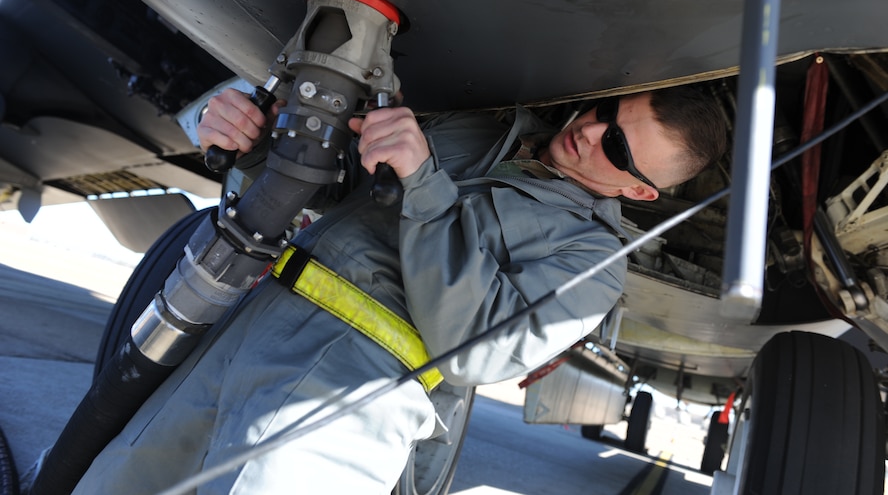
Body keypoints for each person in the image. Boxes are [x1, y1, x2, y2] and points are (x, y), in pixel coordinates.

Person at [69, 85, 726, 494]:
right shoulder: (482, 128)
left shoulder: (591, 260)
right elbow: (335, 189)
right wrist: (248, 142)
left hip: (348, 394)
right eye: (607, 109)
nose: (587, 129)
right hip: (247, 333)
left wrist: (426, 183)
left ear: (640, 190)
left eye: (614, 143)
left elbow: (476, 350)